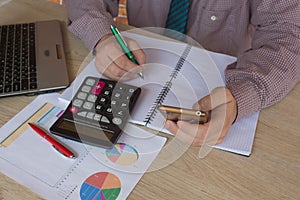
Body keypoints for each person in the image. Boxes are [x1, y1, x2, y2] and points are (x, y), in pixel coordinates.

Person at [65, 0, 300, 146]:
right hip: (142, 72)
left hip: (218, 85)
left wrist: (242, 97)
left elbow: (288, 32)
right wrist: (101, 36)